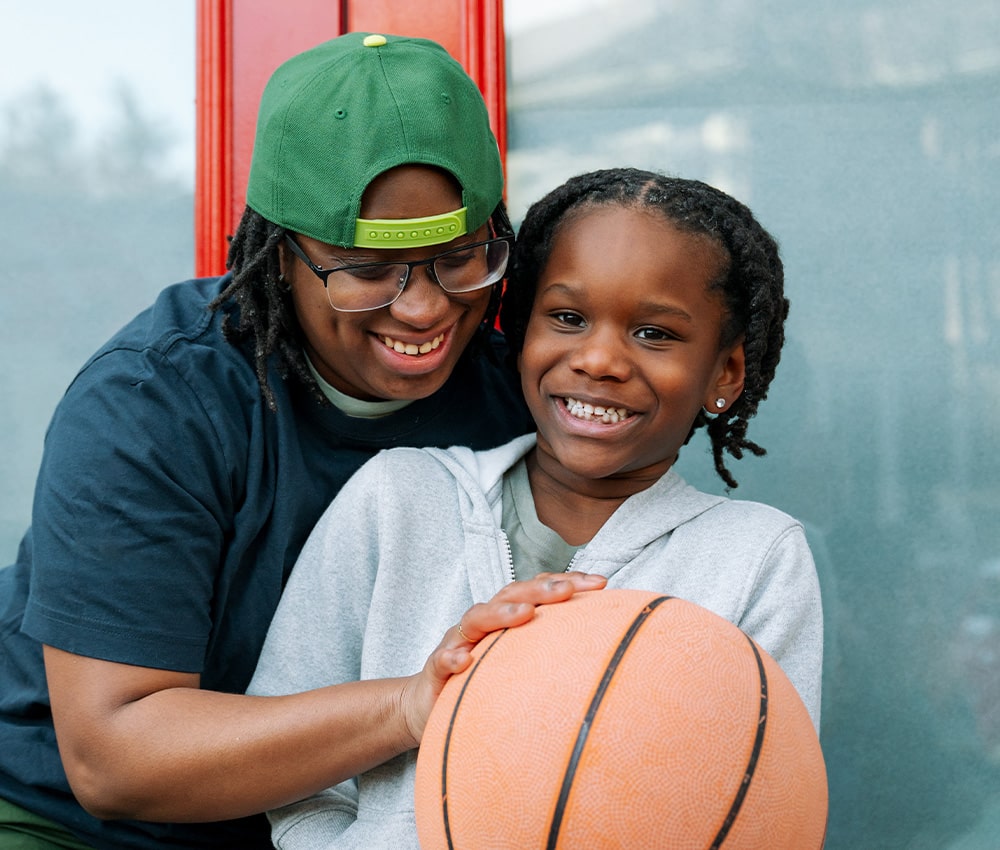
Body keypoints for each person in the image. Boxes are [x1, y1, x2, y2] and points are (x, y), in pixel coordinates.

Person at [0, 32, 589, 850]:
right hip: (75, 827)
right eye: (365, 268)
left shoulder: (514, 392)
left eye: (460, 258)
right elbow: (117, 759)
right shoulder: (154, 402)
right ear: (281, 257)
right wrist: (408, 705)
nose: (423, 310)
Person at [248, 167, 824, 848]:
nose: (600, 359)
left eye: (654, 334)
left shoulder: (755, 556)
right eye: (569, 318)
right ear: (520, 332)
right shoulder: (397, 497)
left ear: (725, 374)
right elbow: (284, 755)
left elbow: (760, 803)